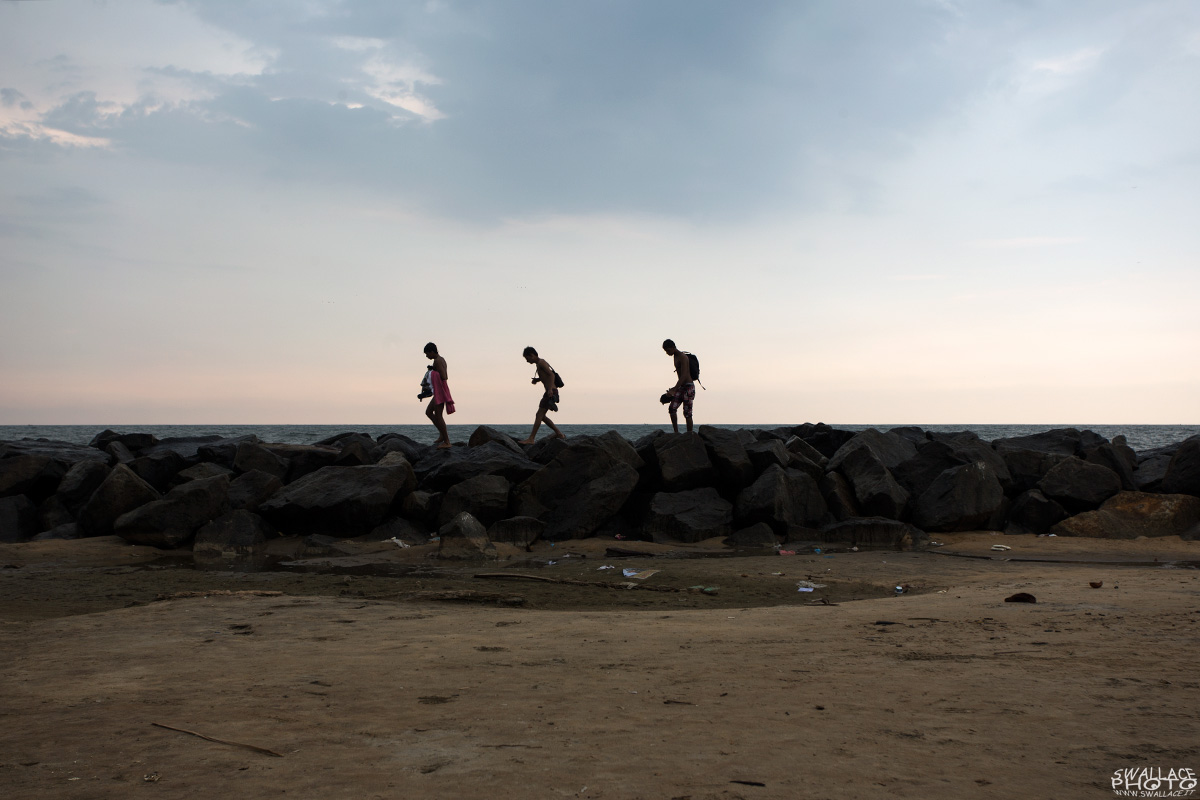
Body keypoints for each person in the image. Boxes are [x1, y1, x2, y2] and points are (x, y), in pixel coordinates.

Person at [519, 346, 565, 444]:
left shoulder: (541, 363)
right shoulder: (540, 363)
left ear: (532, 355)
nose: (527, 361)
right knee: (542, 416)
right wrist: (538, 380)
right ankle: (559, 434)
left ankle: (531, 439)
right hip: (550, 391)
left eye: (527, 358)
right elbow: (546, 375)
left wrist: (550, 389)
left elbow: (551, 375)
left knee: (539, 415)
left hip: (550, 391)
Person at [423, 342, 453, 449]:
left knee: (438, 416)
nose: (426, 356)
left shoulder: (438, 361)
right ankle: (442, 435)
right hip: (438, 390)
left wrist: (434, 371)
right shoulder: (441, 359)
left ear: (432, 351)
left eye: (427, 354)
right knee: (429, 412)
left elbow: (444, 376)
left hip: (440, 390)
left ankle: (447, 441)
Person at [662, 339, 695, 434]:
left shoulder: (683, 357)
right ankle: (676, 433)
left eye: (668, 350)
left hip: (688, 387)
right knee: (672, 408)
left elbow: (684, 375)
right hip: (681, 386)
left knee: (687, 413)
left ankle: (689, 435)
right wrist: (673, 389)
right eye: (666, 351)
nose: (667, 353)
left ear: (673, 347)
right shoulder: (675, 357)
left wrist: (674, 389)